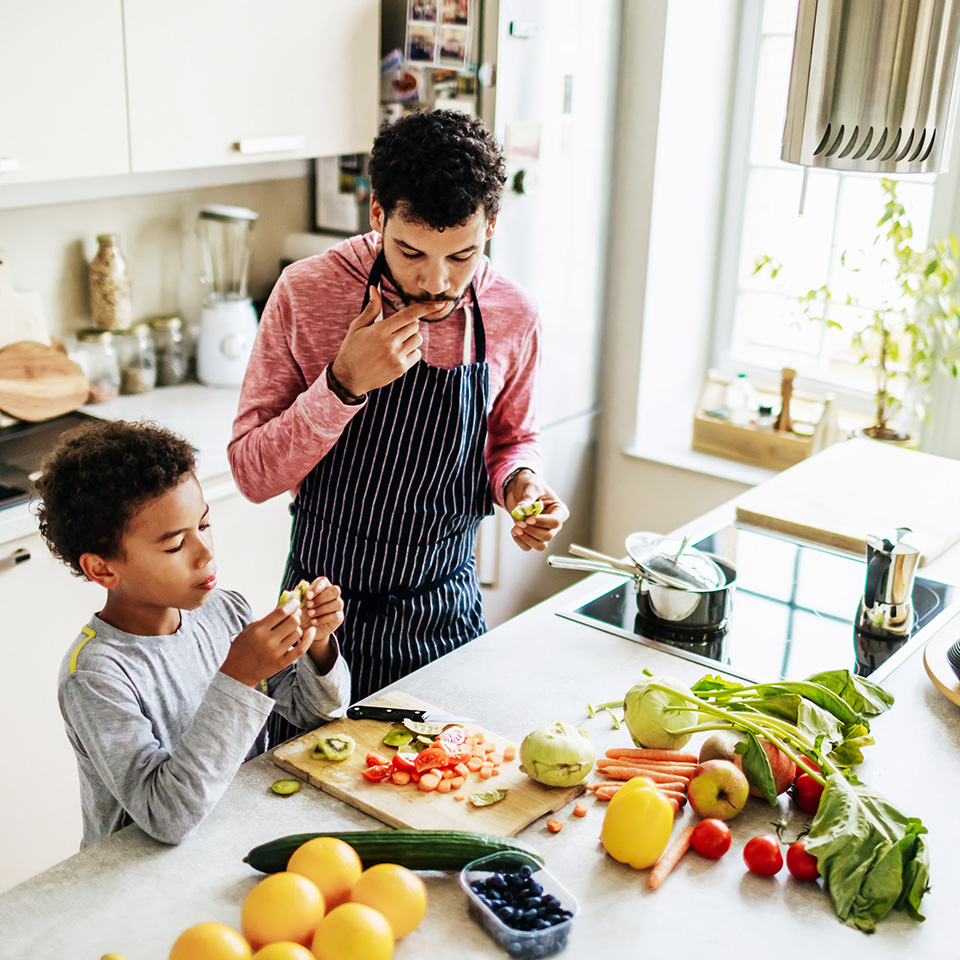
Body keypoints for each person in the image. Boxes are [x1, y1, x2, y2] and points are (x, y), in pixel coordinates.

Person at [229, 108, 569, 710]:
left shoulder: (514, 314)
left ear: (490, 223)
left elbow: (512, 441)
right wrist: (342, 385)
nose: (436, 283)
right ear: (378, 214)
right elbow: (253, 477)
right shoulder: (307, 293)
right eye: (411, 253)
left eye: (461, 256)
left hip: (446, 613)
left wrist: (522, 487)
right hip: (320, 621)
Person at [36, 420, 350, 847]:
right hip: (136, 881)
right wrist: (237, 677)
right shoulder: (95, 676)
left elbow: (316, 716)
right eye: (174, 545)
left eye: (203, 526)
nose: (206, 554)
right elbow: (166, 816)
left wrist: (317, 644)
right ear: (103, 569)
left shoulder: (225, 611)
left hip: (231, 843)